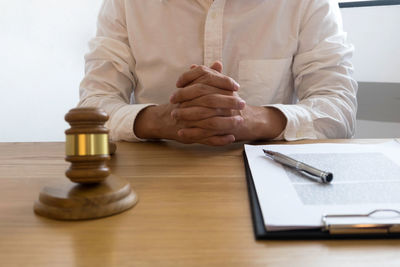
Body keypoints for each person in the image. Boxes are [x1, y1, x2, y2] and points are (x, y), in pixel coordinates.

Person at [79, 0, 357, 146]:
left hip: (270, 176)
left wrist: (255, 119)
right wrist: (159, 120)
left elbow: (338, 108)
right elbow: (91, 108)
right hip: (151, 177)